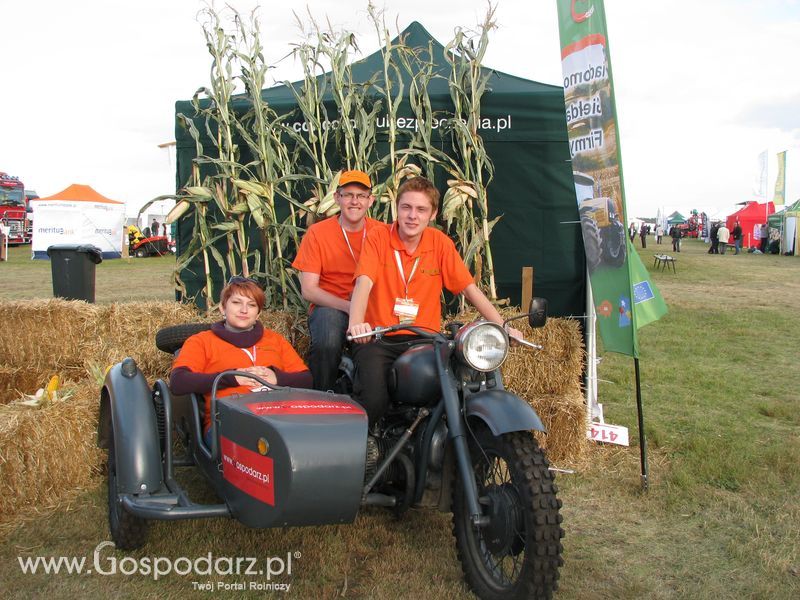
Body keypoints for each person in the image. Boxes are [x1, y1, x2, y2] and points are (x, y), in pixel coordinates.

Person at [347, 176, 523, 426]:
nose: (412, 216)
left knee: (460, 391)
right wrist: (356, 324)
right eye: (406, 207)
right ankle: (368, 453)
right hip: (380, 338)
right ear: (396, 208)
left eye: (421, 210)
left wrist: (502, 327)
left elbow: (469, 290)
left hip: (425, 340)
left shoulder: (440, 243)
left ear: (432, 214)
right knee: (374, 401)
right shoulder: (377, 237)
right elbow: (363, 283)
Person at [170, 277, 312, 444]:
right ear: (223, 307)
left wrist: (277, 378)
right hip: (228, 423)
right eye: (237, 302)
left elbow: (307, 380)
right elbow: (178, 382)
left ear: (258, 313)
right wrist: (231, 377)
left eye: (251, 305)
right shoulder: (201, 341)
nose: (244, 310)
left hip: (279, 418)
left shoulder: (275, 340)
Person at [292, 170, 387, 392]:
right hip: (332, 307)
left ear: (370, 200)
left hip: (372, 309)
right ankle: (320, 400)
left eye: (361, 195)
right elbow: (309, 290)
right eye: (348, 195)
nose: (355, 201)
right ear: (337, 198)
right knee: (327, 341)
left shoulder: (383, 232)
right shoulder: (318, 233)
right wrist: (351, 307)